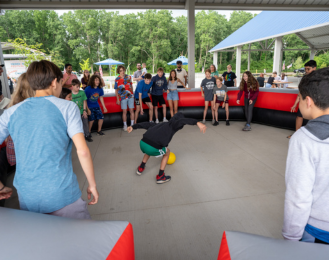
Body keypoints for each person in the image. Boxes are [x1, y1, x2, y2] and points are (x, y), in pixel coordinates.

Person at [0, 60, 99, 219]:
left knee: (44, 242)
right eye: (61, 82)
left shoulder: (11, 112)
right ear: (54, 82)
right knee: (79, 239)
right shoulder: (67, 108)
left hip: (28, 197)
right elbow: (83, 151)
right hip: (62, 194)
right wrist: (92, 184)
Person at [282, 67, 329, 245]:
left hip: (318, 230)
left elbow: (298, 196)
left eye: (299, 98)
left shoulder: (304, 139)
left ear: (307, 101)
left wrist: (291, 237)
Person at [127, 112, 207, 184]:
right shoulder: (173, 125)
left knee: (150, 146)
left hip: (142, 143)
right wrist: (197, 122)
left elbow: (145, 124)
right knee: (167, 152)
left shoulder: (159, 124)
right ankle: (161, 176)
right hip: (151, 147)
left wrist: (133, 127)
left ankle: (141, 167)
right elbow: (182, 121)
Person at [288, 60, 317, 139]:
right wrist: (295, 104)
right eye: (305, 69)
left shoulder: (318, 78)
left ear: (314, 68)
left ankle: (313, 137)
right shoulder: (305, 77)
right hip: (304, 101)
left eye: (308, 69)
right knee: (299, 117)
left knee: (314, 118)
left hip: (315, 102)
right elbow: (301, 92)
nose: (306, 71)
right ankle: (297, 135)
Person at [115, 65, 134, 130]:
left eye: (123, 70)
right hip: (122, 97)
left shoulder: (129, 77)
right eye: (120, 71)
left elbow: (131, 85)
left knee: (131, 110)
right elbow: (116, 90)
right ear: (118, 71)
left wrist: (132, 94)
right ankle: (125, 125)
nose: (122, 72)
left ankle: (132, 125)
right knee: (124, 111)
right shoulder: (117, 79)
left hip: (130, 96)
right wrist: (117, 99)